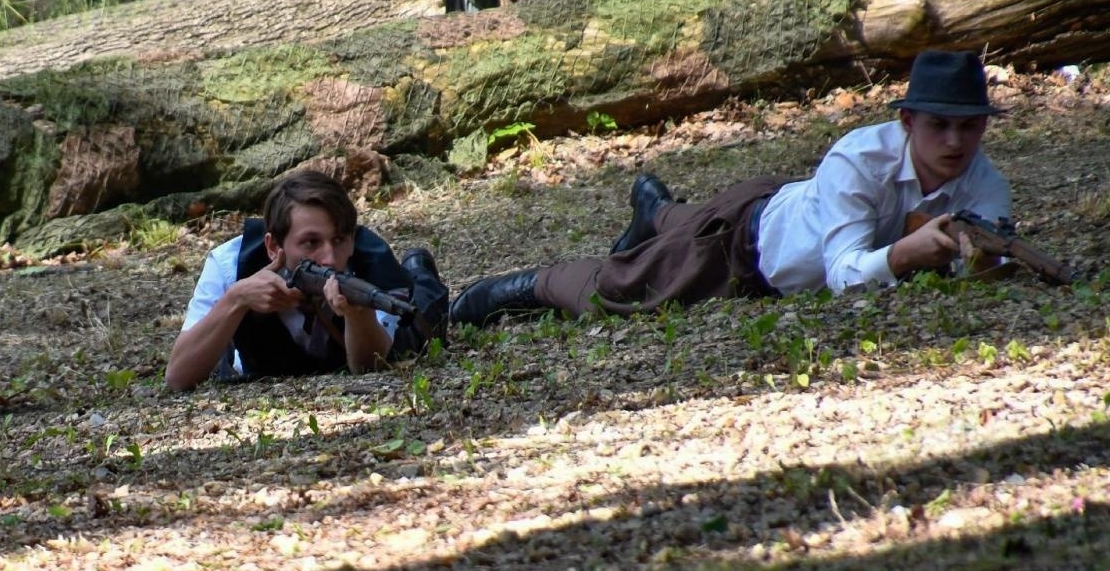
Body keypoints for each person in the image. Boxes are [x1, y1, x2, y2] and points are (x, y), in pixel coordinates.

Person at [450, 50, 1012, 326]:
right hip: (739, 246)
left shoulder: (984, 183)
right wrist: (907, 253)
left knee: (680, 226)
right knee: (616, 290)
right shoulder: (859, 161)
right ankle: (506, 289)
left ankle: (658, 211)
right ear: (908, 121)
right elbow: (844, 275)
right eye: (939, 124)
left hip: (776, 207)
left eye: (969, 125)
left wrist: (985, 264)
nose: (956, 142)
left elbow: (992, 269)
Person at [165, 169, 448, 390]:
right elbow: (178, 376)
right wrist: (236, 299)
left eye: (339, 239)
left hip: (394, 326)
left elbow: (370, 368)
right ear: (274, 247)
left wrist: (358, 315)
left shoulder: (373, 268)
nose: (328, 258)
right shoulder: (230, 265)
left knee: (425, 312)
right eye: (311, 243)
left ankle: (419, 268)